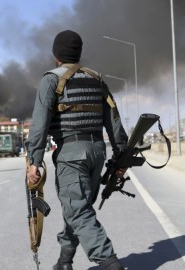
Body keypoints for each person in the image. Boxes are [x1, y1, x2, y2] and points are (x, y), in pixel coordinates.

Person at [25, 30, 128, 270]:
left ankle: (109, 262)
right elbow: (114, 120)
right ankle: (64, 262)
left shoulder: (51, 79)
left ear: (56, 55)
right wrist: (121, 155)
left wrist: (34, 161)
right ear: (78, 53)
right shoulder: (97, 79)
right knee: (78, 207)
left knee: (78, 211)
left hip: (72, 153)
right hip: (97, 152)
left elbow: (39, 124)